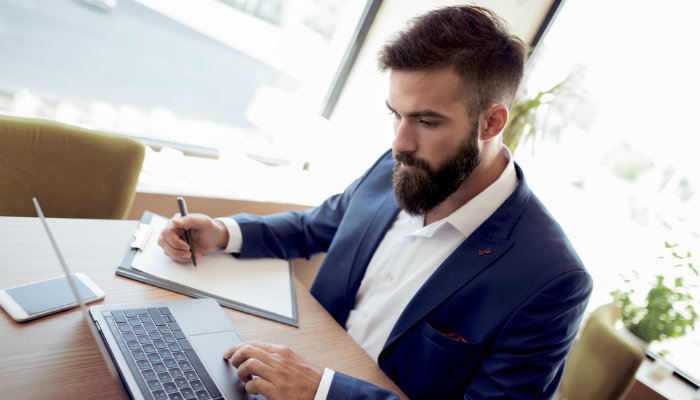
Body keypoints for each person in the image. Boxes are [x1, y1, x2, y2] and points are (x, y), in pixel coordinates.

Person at [158, 5, 593, 400]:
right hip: (279, 374)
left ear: (492, 121)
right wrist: (223, 233)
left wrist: (322, 390)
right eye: (395, 114)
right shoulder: (404, 163)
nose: (399, 143)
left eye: (426, 121)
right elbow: (314, 227)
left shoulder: (551, 280)